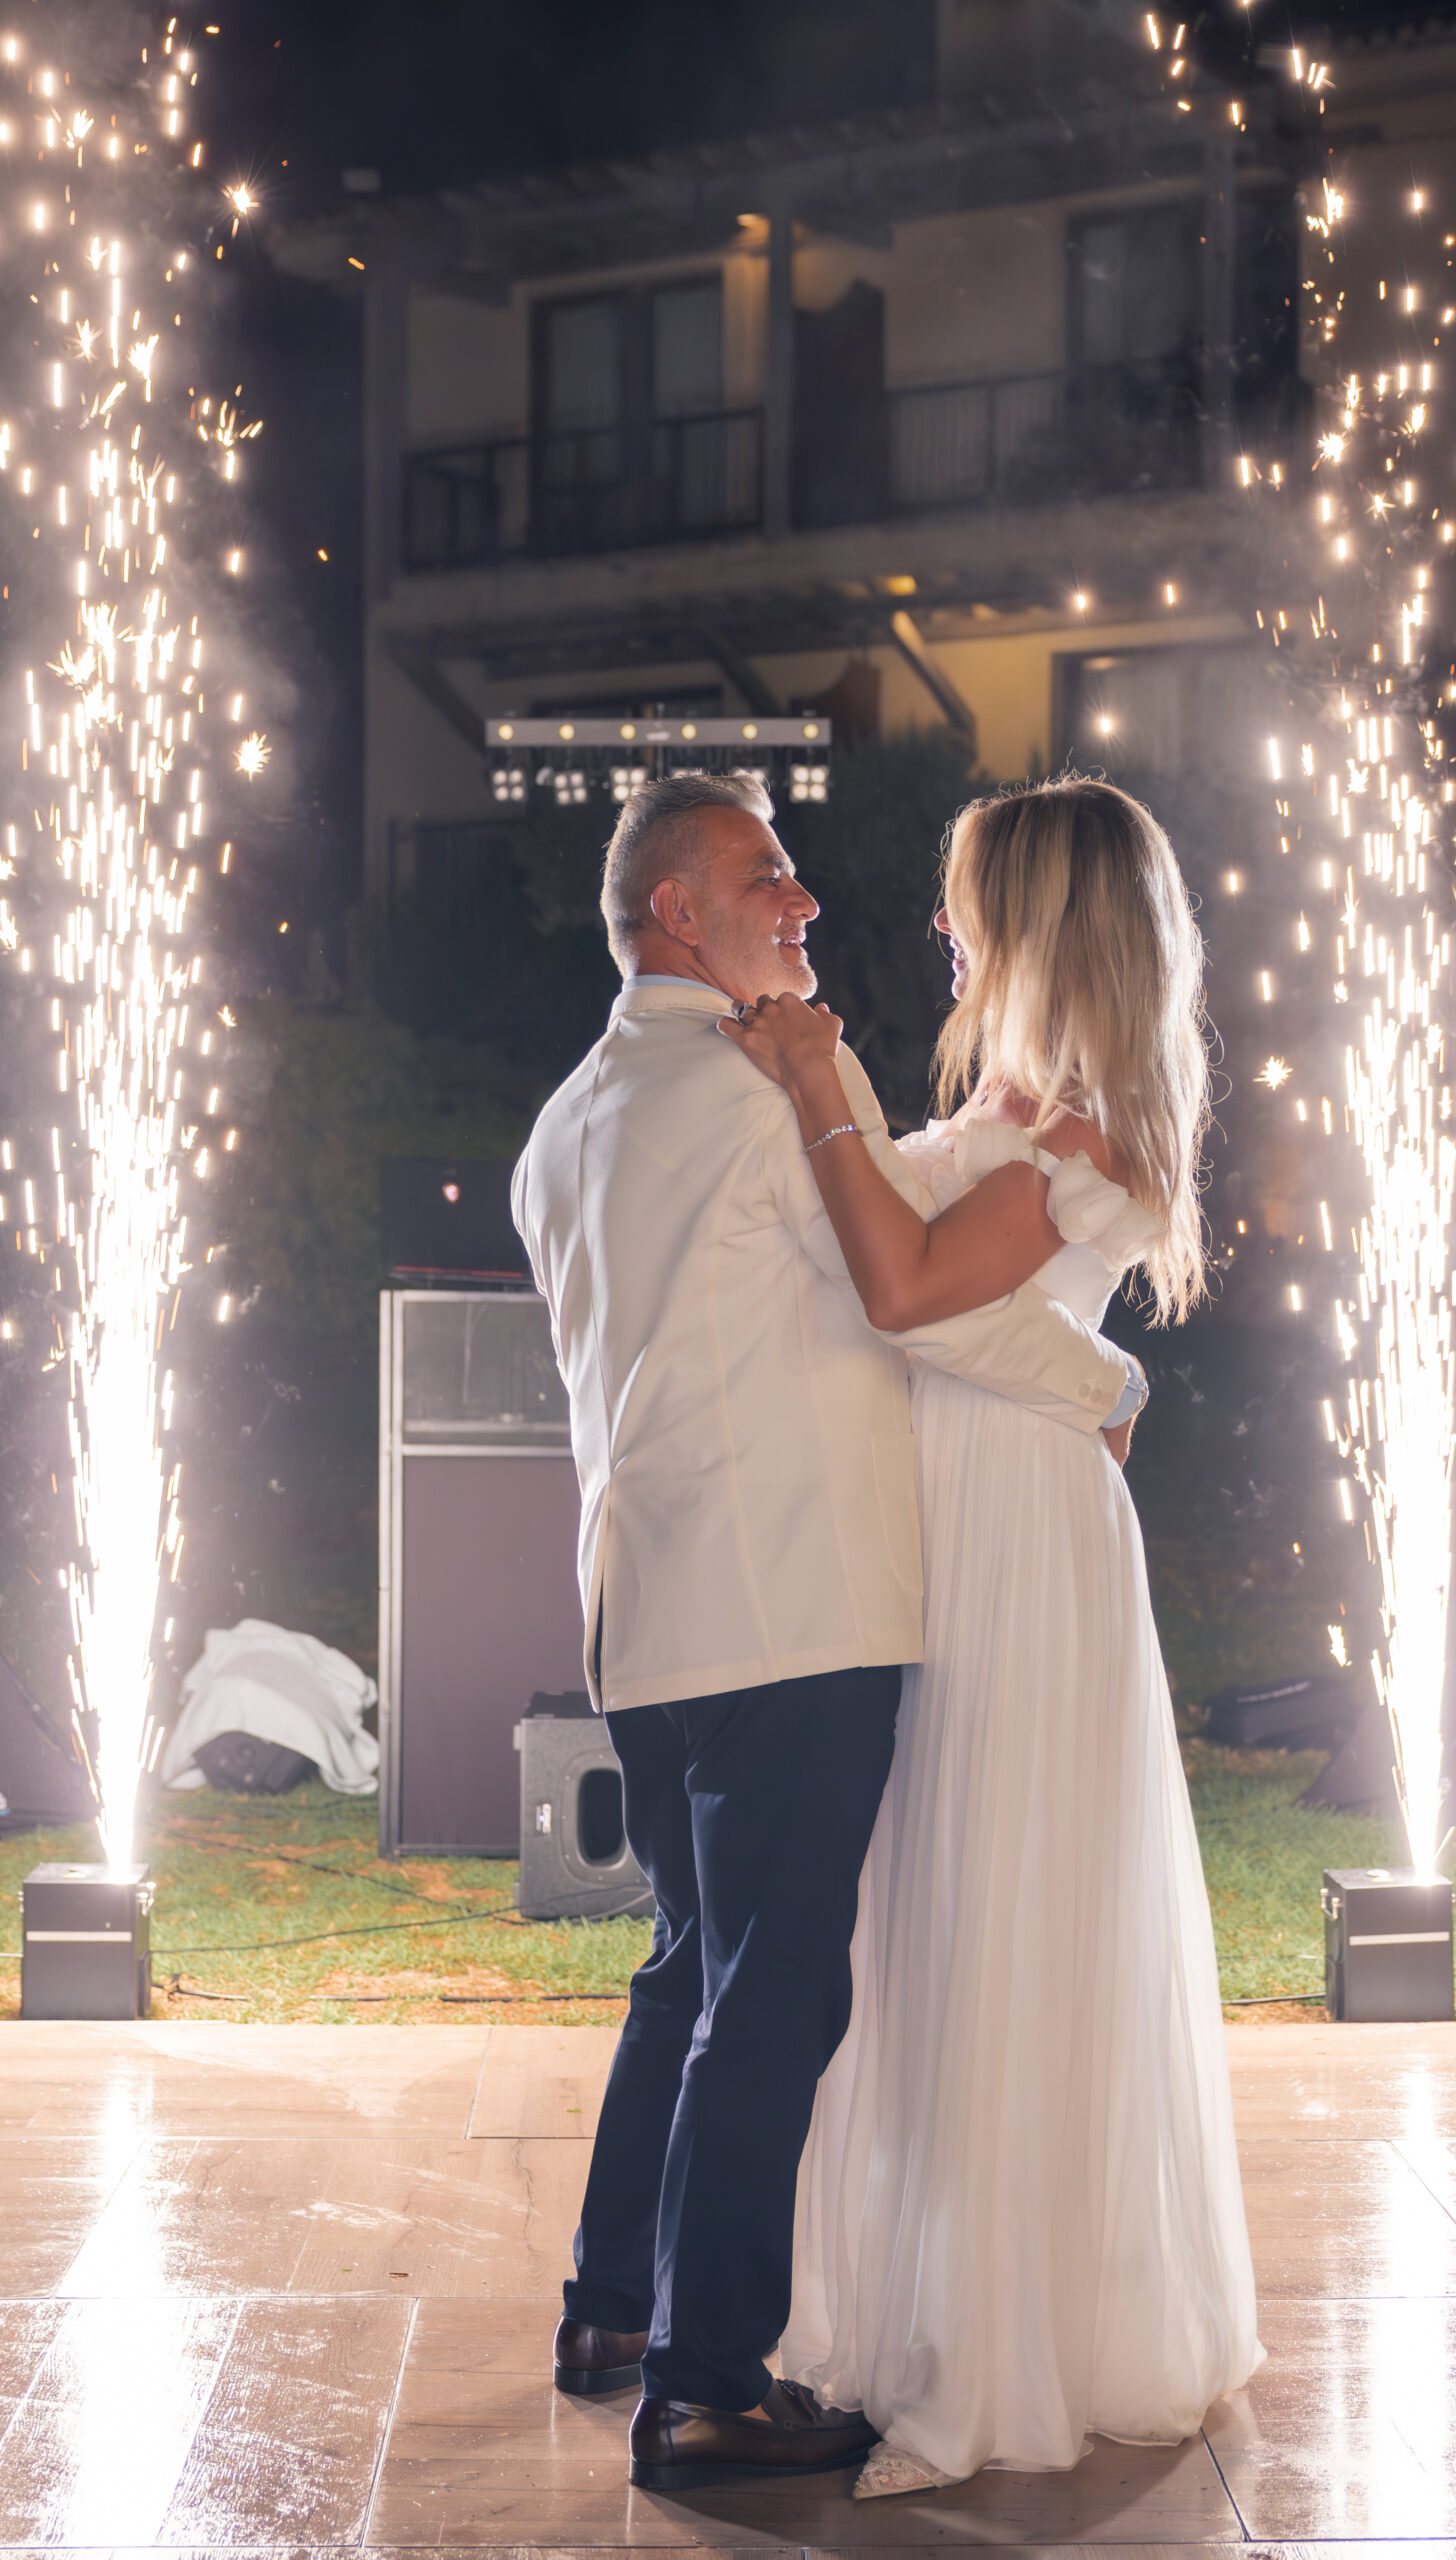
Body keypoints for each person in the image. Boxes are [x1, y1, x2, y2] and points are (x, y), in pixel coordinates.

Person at [511, 771, 1146, 2494]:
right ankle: (707, 2384)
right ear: (676, 914)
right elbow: (915, 1303)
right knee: (774, 1995)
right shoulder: (780, 1085)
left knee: (687, 1970)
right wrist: (1105, 1380)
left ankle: (611, 2309)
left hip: (642, 1618)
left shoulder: (563, 1124)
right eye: (765, 876)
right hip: (795, 1606)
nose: (803, 900)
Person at [721, 775, 1261, 2496]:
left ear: (1040, 924)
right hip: (949, 1521)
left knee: (996, 1915)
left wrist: (821, 1084)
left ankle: (1000, 2360)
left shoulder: (1086, 1133)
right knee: (926, 1921)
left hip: (1021, 1542)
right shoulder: (1015, 1108)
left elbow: (906, 1294)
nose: (943, 926)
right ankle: (926, 2320)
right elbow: (892, 1278)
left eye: (969, 902)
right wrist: (1102, 1374)